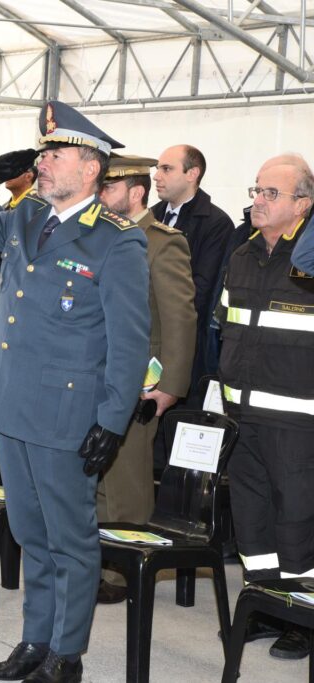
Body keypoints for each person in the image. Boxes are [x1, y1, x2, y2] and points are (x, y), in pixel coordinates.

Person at [0, 101, 150, 682]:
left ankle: (67, 654)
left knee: (70, 538)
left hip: (66, 413)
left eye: (54, 155)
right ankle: (34, 640)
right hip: (10, 403)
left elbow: (129, 342)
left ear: (90, 168)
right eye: (41, 153)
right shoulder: (26, 215)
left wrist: (112, 421)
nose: (42, 163)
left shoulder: (116, 241)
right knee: (29, 531)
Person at [219, 156, 314, 661]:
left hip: (298, 418)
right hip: (242, 415)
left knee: (297, 517)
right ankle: (264, 604)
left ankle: (303, 616)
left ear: (304, 203)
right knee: (250, 518)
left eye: (271, 193)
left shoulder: (310, 258)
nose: (258, 199)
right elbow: (227, 329)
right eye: (257, 190)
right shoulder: (243, 254)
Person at [95, 154, 196, 604]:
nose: (100, 197)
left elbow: (178, 317)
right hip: (94, 371)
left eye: (108, 189)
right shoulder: (99, 234)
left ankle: (123, 571)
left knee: (126, 478)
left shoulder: (161, 242)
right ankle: (98, 559)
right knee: (96, 474)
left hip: (140, 379)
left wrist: (170, 385)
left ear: (134, 193)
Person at [152, 144, 234, 394]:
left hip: (185, 347)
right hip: (148, 338)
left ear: (192, 173)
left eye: (166, 169)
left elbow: (200, 292)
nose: (157, 176)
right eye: (158, 169)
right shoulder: (151, 216)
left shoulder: (216, 224)